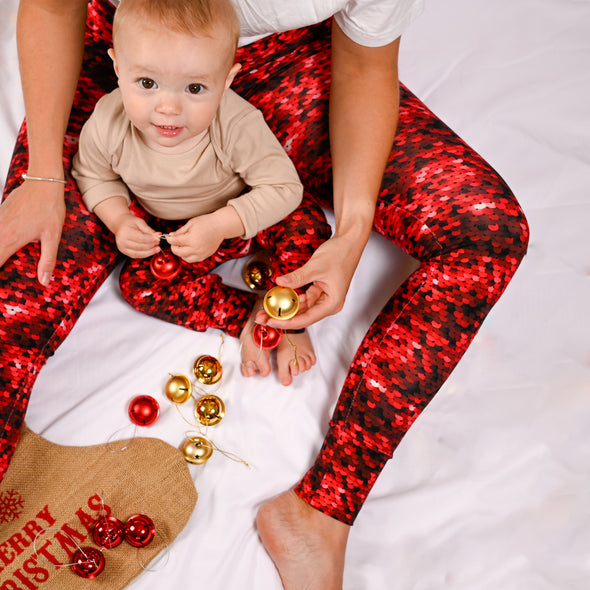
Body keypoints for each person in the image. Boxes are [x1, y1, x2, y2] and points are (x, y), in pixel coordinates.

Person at [0, 0, 530, 589]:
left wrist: (352, 230)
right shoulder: (118, 102)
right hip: (128, 78)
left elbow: (361, 66)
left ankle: (321, 513)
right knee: (18, 300)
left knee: (487, 233)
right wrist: (44, 175)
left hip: (287, 72)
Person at [71, 0, 328, 383]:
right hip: (180, 234)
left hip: (243, 213)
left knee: (307, 224)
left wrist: (223, 223)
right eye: (147, 84)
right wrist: (119, 219)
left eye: (195, 88)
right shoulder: (107, 124)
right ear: (118, 67)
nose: (169, 107)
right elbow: (93, 176)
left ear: (226, 79)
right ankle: (246, 317)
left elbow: (284, 188)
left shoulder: (235, 123)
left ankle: (287, 315)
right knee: (140, 286)